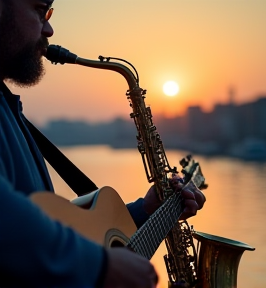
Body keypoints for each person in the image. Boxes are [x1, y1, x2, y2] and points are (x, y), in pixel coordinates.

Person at [0, 0, 206, 287]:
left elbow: (50, 228)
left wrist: (147, 210)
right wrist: (100, 265)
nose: (49, 29)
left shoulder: (8, 110)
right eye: (39, 8)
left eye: (49, 14)